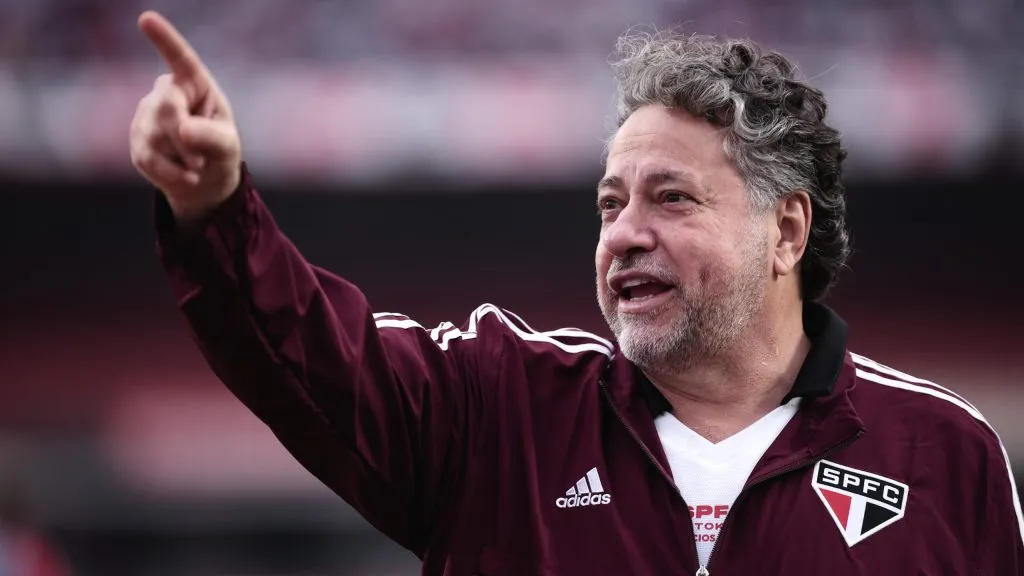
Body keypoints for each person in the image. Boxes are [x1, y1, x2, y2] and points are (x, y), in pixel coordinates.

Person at [129, 10, 1023, 575]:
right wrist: (214, 211)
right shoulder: (496, 411)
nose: (625, 231)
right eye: (610, 203)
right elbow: (311, 353)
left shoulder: (945, 455)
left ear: (785, 231)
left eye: (671, 198)